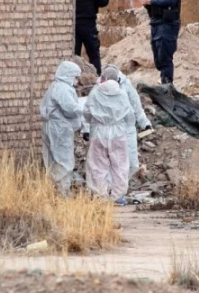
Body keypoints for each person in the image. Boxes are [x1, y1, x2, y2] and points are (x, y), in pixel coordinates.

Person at [84, 66, 133, 204]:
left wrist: (94, 122)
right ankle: (118, 196)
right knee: (120, 164)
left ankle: (100, 195)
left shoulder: (95, 93)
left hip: (99, 131)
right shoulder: (122, 93)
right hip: (118, 132)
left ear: (103, 78)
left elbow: (87, 113)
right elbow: (130, 116)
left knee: (98, 164)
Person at [40, 60, 84, 197]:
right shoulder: (63, 89)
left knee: (53, 161)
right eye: (75, 77)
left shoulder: (55, 86)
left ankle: (54, 192)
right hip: (59, 129)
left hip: (54, 127)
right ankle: (62, 194)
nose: (77, 81)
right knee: (64, 161)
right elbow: (70, 109)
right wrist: (83, 107)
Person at [103, 63, 153, 180]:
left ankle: (121, 186)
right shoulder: (99, 88)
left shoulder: (125, 84)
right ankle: (112, 188)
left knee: (132, 164)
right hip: (112, 129)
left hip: (128, 127)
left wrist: (144, 122)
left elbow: (136, 104)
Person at [143, 0, 184, 84]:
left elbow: (171, 0)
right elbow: (157, 4)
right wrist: (148, 3)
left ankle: (167, 87)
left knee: (165, 58)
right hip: (156, 24)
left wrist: (153, 1)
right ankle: (164, 86)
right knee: (159, 60)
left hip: (167, 25)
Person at [75, 0, 110, 75]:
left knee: (74, 57)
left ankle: (74, 81)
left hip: (72, 26)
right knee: (94, 56)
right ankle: (97, 79)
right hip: (89, 24)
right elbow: (104, 1)